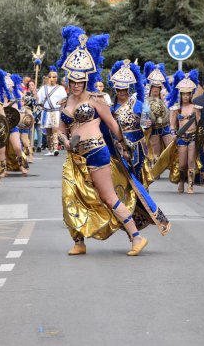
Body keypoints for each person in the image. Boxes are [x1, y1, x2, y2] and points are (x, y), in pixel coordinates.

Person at [56, 26, 169, 257]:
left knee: (108, 196)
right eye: (73, 81)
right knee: (70, 197)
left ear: (86, 80)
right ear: (68, 80)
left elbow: (114, 126)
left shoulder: (96, 100)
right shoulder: (64, 102)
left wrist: (124, 148)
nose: (76, 85)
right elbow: (60, 129)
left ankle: (136, 237)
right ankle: (79, 241)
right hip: (73, 155)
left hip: (97, 152)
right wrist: (63, 141)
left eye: (80, 81)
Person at [106, 59, 152, 186]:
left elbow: (146, 125)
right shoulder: (111, 108)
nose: (121, 92)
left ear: (129, 89)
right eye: (119, 89)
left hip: (137, 146)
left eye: (124, 89)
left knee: (137, 176)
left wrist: (147, 125)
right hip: (118, 147)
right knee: (119, 178)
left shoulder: (139, 105)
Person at [168, 70, 204, 194]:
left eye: (188, 94)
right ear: (180, 95)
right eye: (183, 94)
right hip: (181, 138)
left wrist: (199, 138)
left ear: (191, 95)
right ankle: (181, 181)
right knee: (182, 164)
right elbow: (172, 125)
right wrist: (174, 134)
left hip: (192, 138)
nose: (185, 96)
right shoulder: (176, 109)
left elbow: (199, 125)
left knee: (191, 161)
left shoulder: (196, 108)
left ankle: (190, 185)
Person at [143, 62, 173, 172]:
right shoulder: (146, 102)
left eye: (158, 87)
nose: (156, 89)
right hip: (154, 129)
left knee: (171, 147)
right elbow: (144, 117)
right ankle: (156, 170)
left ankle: (171, 167)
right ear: (150, 88)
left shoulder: (164, 99)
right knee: (155, 153)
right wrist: (146, 122)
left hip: (165, 127)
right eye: (154, 87)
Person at [0, 73, 29, 175]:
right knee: (1, 150)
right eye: (7, 86)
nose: (9, 88)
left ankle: (21, 166)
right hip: (1, 128)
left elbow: (18, 115)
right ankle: (3, 169)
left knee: (17, 147)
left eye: (11, 86)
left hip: (13, 127)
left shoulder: (15, 99)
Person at [36, 66, 67, 156]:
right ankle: (50, 150)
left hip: (55, 112)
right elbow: (38, 100)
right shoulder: (43, 88)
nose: (52, 79)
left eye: (54, 77)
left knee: (55, 130)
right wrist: (35, 93)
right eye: (50, 77)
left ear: (57, 78)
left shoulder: (60, 88)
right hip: (46, 112)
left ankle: (55, 149)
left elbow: (65, 98)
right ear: (48, 78)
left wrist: (61, 103)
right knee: (48, 132)